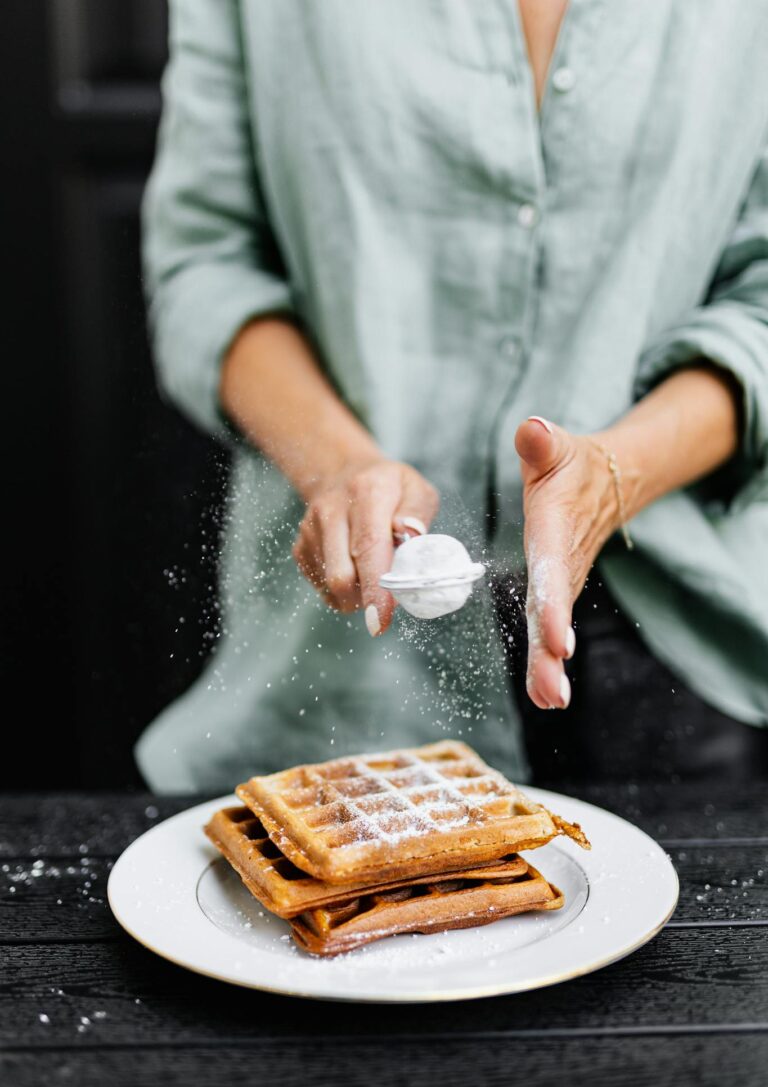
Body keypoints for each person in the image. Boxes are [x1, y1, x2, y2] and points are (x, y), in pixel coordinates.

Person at [137, 0, 768, 792]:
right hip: (348, 663)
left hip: (674, 647)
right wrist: (338, 467)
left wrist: (616, 473)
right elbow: (205, 263)